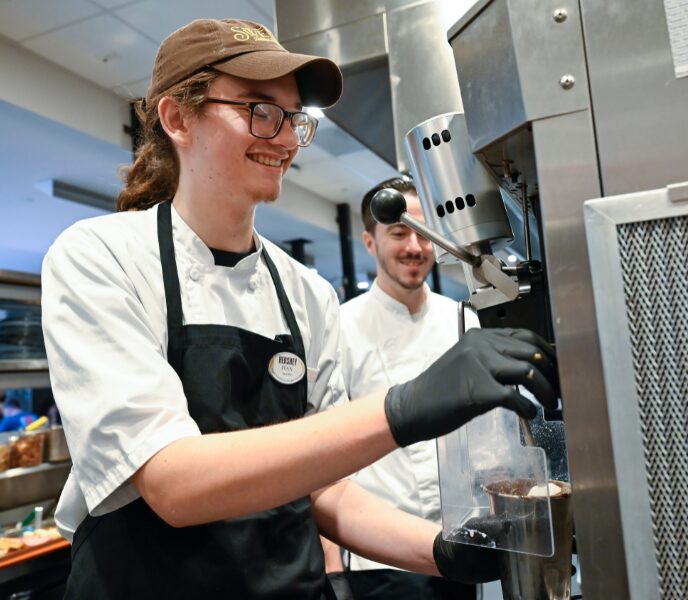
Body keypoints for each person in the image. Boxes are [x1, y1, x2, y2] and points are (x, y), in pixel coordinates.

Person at [40, 18, 559, 599]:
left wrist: (439, 551)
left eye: (294, 118)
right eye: (260, 110)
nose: (285, 138)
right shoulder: (101, 257)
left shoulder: (305, 291)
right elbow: (172, 482)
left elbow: (323, 489)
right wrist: (404, 408)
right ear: (177, 118)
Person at [322, 177, 480, 599]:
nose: (414, 245)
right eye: (398, 231)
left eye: (422, 232)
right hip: (381, 559)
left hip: (463, 546)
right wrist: (334, 570)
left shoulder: (464, 321)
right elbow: (324, 460)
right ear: (370, 243)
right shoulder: (339, 327)